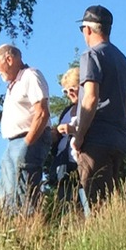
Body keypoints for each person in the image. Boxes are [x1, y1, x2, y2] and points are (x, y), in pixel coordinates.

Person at [71, 5, 126, 203]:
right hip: (119, 138)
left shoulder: (91, 56)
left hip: (96, 138)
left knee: (94, 200)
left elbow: (90, 98)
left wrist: (80, 135)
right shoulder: (123, 61)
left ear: (88, 29)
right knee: (109, 200)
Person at [0, 44, 50, 214]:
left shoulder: (31, 76)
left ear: (9, 59)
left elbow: (42, 112)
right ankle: (13, 228)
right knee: (9, 192)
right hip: (12, 142)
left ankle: (28, 226)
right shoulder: (14, 83)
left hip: (28, 138)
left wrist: (27, 143)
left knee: (24, 190)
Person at [49, 66, 83, 198]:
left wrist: (73, 130)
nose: (69, 94)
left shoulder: (90, 108)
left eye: (72, 89)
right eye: (65, 91)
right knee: (65, 203)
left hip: (80, 161)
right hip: (64, 163)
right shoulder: (67, 111)